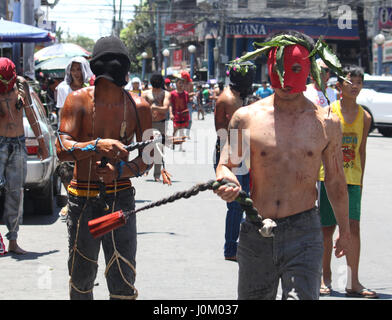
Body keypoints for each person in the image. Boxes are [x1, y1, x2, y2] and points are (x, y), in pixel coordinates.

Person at [214, 30, 351, 300]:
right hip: (256, 228)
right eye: (280, 69)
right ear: (270, 67)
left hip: (304, 232)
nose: (286, 79)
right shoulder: (245, 117)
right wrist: (226, 180)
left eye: (296, 68)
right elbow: (225, 164)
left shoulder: (327, 123)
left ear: (309, 70)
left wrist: (345, 231)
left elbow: (335, 181)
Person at [55, 35, 152, 300]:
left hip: (120, 198)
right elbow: (61, 149)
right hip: (83, 199)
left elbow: (149, 158)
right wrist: (97, 145)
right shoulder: (77, 101)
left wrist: (119, 172)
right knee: (81, 280)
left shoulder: (139, 106)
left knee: (123, 279)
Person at [318, 65, 376, 298]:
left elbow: (361, 151)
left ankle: (353, 282)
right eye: (351, 82)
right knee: (327, 230)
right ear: (339, 85)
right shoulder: (328, 113)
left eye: (359, 82)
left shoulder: (366, 116)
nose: (355, 86)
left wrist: (360, 184)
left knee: (353, 229)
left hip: (352, 180)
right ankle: (325, 278)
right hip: (328, 179)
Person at [0, 57, 49, 255]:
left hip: (18, 143)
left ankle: (13, 241)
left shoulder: (21, 85)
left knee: (15, 193)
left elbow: (30, 114)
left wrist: (41, 141)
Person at [214, 61, 255, 261]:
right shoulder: (227, 99)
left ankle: (244, 244)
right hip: (232, 156)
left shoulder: (243, 97)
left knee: (248, 201)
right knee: (236, 204)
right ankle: (231, 248)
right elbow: (222, 133)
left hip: (245, 154)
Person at [55, 56, 93, 219]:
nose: (76, 73)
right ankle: (71, 201)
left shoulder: (90, 89)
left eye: (79, 69)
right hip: (68, 134)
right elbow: (61, 113)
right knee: (64, 170)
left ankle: (83, 202)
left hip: (86, 135)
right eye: (73, 69)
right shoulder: (63, 88)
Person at [142, 73, 170, 182]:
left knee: (159, 148)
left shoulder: (166, 94)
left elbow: (165, 109)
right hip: (147, 123)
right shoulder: (145, 93)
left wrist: (154, 108)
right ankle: (146, 167)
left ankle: (157, 174)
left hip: (160, 123)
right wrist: (154, 109)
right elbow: (141, 108)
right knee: (147, 147)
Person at [169, 75, 189, 152]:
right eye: (180, 83)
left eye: (182, 83)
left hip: (184, 115)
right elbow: (170, 104)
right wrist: (171, 113)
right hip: (176, 115)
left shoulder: (186, 93)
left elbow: (187, 104)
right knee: (175, 130)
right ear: (176, 83)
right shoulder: (172, 93)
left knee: (182, 131)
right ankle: (173, 144)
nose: (181, 85)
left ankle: (181, 146)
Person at [181, 71, 195, 138]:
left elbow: (193, 93)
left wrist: (187, 95)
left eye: (185, 77)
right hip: (182, 102)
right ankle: (183, 133)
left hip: (189, 102)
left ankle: (187, 133)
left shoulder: (190, 84)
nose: (184, 78)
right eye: (183, 77)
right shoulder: (181, 84)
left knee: (189, 119)